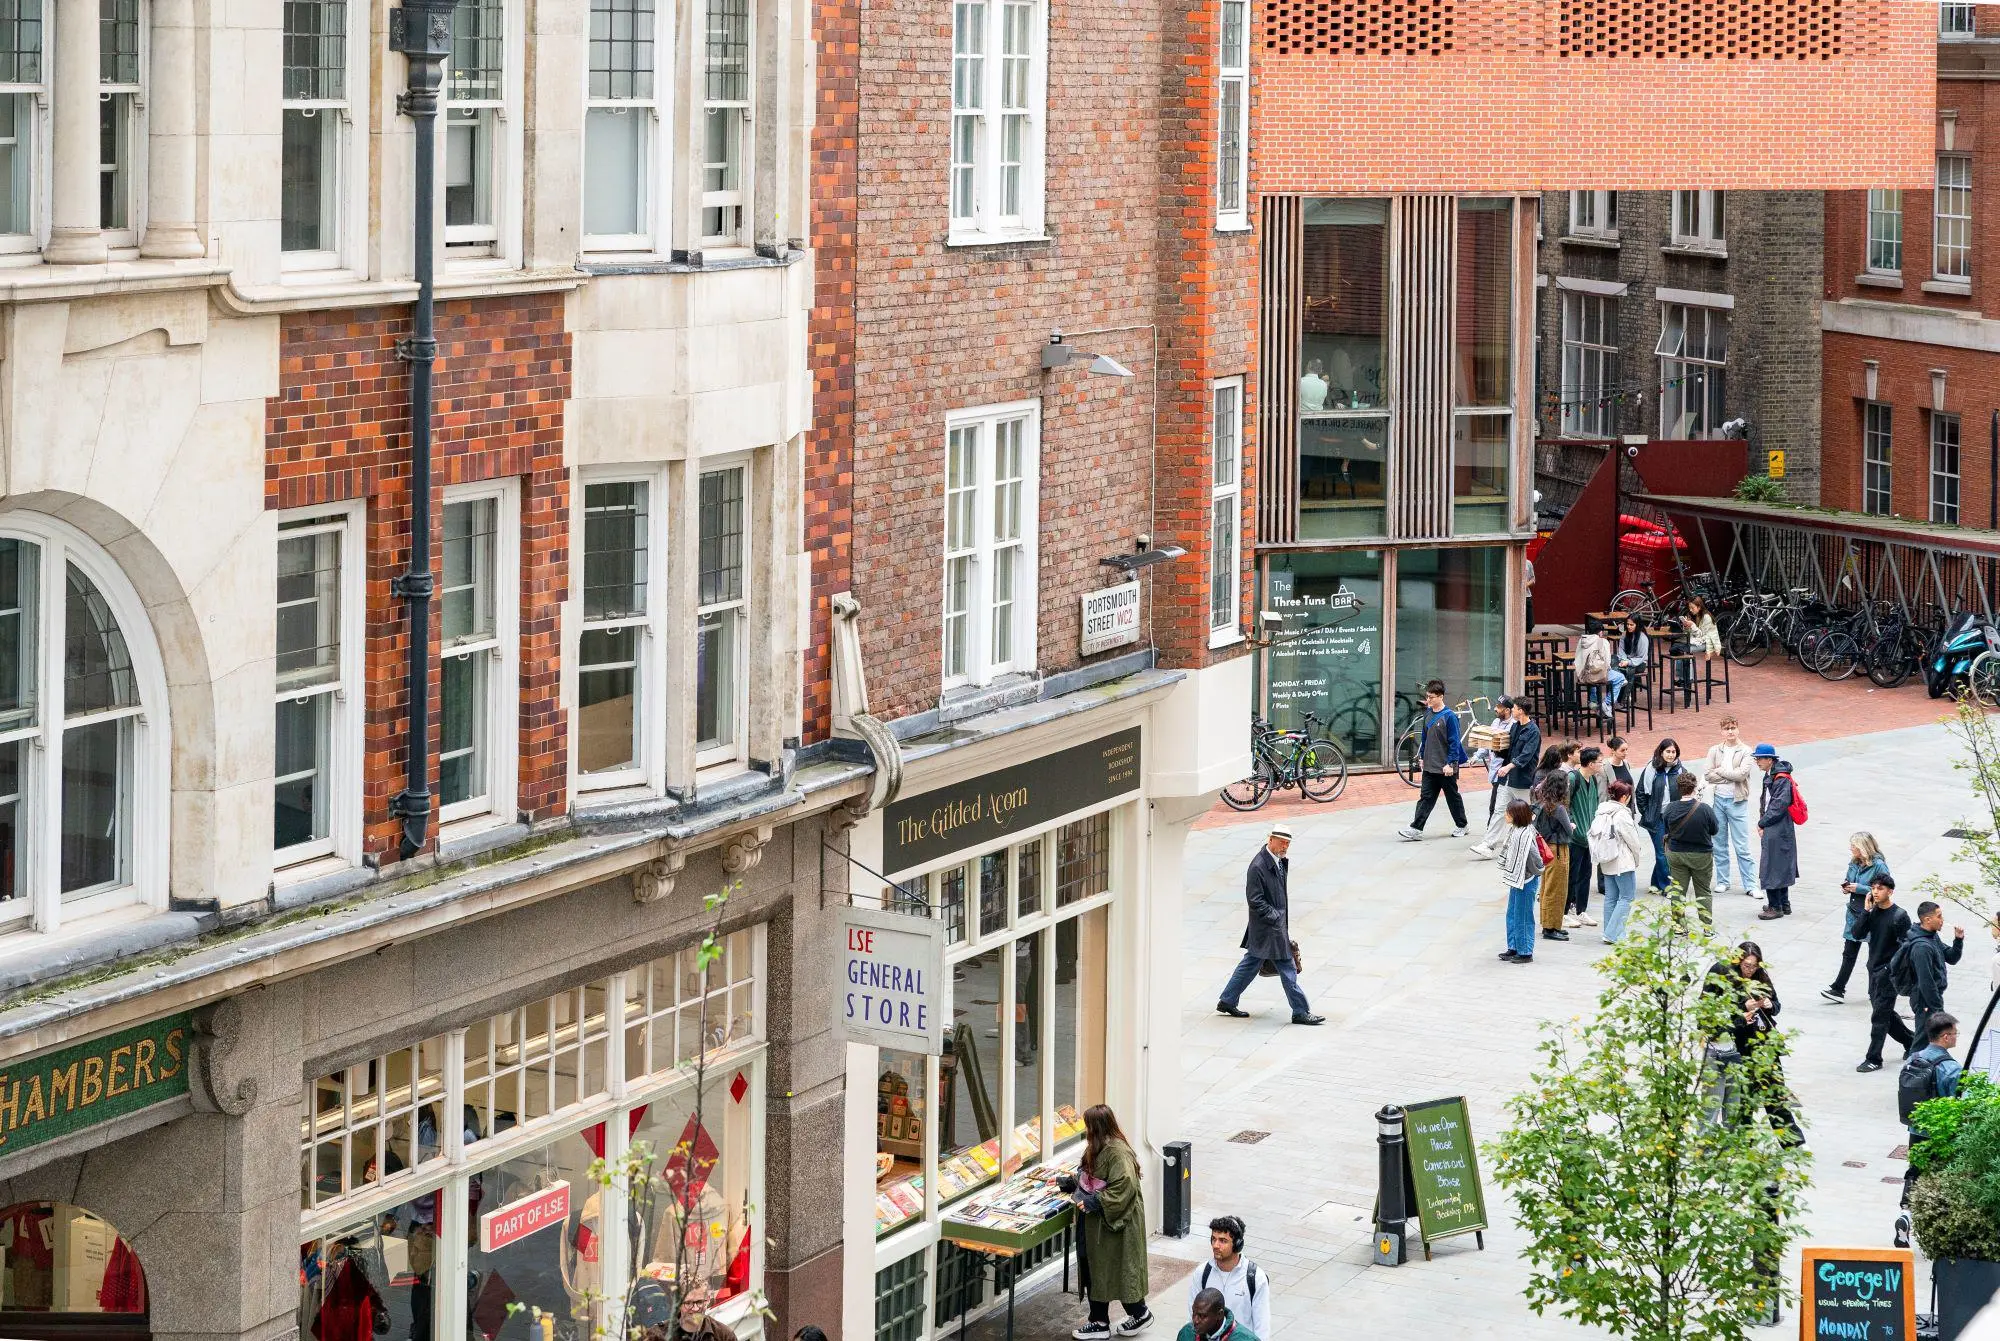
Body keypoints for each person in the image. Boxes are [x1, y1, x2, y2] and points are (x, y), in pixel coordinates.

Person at [1216, 826, 1322, 1025]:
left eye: (1288, 843)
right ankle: (1300, 1011)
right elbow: (1254, 900)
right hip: (1269, 928)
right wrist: (1275, 916)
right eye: (1282, 842)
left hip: (1270, 927)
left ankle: (1227, 1000)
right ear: (1270, 840)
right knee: (1288, 967)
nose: (1285, 846)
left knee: (1250, 964)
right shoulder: (1258, 866)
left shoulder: (1277, 861)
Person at [1704, 942, 1804, 1147]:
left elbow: (1776, 1005)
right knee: (1742, 1097)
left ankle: (1792, 1142)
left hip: (1765, 1042)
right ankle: (1743, 1144)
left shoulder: (1760, 976)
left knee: (1775, 1093)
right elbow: (1710, 1014)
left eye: (1754, 966)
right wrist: (1743, 1008)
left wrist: (1769, 1005)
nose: (1750, 970)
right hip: (1739, 1044)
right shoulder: (1722, 974)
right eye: (1746, 965)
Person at [1071, 1105, 1153, 1340]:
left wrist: (1096, 1202)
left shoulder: (1117, 1151)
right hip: (1101, 1226)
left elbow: (1124, 1185)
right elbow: (1090, 1175)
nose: (1086, 1130)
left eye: (1088, 1126)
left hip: (1117, 1225)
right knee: (1099, 1267)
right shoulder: (1098, 1146)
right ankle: (1103, 1319)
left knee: (1113, 1268)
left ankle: (1123, 1316)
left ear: (1096, 1127)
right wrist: (1073, 1183)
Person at [1899, 1013, 1964, 1208]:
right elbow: (1962, 1102)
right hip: (1940, 1134)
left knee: (1915, 1171)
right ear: (1945, 1037)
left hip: (1915, 1129)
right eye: (1955, 1033)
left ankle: (1906, 1212)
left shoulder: (1914, 1058)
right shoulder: (1951, 1068)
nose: (1956, 1036)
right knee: (1941, 1176)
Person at [1856, 874, 1916, 1073]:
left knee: (1879, 1018)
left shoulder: (1899, 916)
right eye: (1873, 887)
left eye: (1880, 888)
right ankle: (1911, 1041)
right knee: (1885, 1014)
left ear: (1890, 891)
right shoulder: (1873, 912)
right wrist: (1865, 911)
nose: (1875, 891)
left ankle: (1874, 1058)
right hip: (1873, 970)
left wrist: (1889, 969)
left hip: (1888, 975)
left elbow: (1906, 947)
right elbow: (1856, 934)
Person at [1824, 833, 1890, 1003]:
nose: (1851, 848)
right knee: (1849, 953)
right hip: (1855, 913)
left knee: (1874, 956)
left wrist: (1859, 888)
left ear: (1863, 848)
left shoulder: (1879, 866)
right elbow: (1849, 879)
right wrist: (1847, 887)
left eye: (1853, 846)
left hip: (1873, 915)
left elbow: (1884, 888)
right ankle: (1838, 988)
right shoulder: (1854, 863)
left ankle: (1874, 992)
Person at [1398, 680, 1469, 841]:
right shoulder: (1428, 713)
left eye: (1431, 697)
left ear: (1441, 697)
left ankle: (1462, 825)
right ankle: (1416, 828)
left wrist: (1451, 763)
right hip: (1430, 765)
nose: (1428, 700)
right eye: (1427, 696)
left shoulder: (1450, 717)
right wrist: (1422, 756)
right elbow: (1424, 737)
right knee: (1426, 797)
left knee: (1452, 797)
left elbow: (1454, 742)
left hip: (1445, 767)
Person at [1473, 698, 1541, 857]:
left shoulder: (1533, 731)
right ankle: (1488, 845)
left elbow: (1526, 756)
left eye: (1515, 708)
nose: (1513, 710)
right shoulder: (1515, 727)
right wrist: (1493, 746)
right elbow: (1507, 750)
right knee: (1499, 811)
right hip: (1507, 779)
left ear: (1521, 711)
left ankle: (1530, 843)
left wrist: (1508, 766)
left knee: (1527, 814)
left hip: (1522, 780)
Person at [1186, 1217, 1271, 1341]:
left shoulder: (1255, 1278)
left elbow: (1262, 1326)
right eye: (1213, 1239)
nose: (1215, 1245)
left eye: (1223, 1241)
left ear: (1237, 1244)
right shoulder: (1202, 1273)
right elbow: (1191, 1317)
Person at [1703, 716, 1758, 896]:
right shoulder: (1714, 750)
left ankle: (1750, 884)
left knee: (1742, 846)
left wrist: (1720, 772)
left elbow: (1741, 775)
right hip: (1718, 800)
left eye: (1733, 727)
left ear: (1738, 729)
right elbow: (1708, 775)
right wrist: (1728, 775)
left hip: (1737, 801)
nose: (1730, 731)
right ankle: (1723, 881)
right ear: (1721, 731)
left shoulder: (1746, 751)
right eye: (1726, 728)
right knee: (1719, 843)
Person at [1589, 780, 1648, 943]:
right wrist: (1636, 859)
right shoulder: (1622, 814)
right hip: (1623, 861)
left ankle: (1610, 932)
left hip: (1606, 860)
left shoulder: (1602, 811)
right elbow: (1633, 841)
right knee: (1627, 897)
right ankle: (1613, 933)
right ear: (1624, 797)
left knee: (1611, 898)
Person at [1901, 900, 1967, 1046]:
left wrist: (1958, 940)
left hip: (1932, 999)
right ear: (1927, 919)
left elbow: (1951, 957)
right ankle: (1914, 1066)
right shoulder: (1921, 947)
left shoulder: (1932, 936)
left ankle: (1923, 1065)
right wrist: (1938, 1011)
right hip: (1925, 1000)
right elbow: (1926, 982)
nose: (1942, 920)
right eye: (1939, 916)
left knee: (1929, 1040)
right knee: (1922, 1040)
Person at [1663, 773, 1718, 925]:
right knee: (1703, 891)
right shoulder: (1705, 809)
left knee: (1678, 891)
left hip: (1677, 854)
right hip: (1701, 855)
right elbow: (1714, 830)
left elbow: (1667, 827)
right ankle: (1706, 926)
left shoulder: (1670, 808)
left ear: (1678, 789)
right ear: (1694, 788)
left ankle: (1679, 926)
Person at [1752, 744, 1799, 920]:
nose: (1757, 761)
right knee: (1780, 865)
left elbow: (1778, 805)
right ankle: (1784, 903)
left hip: (1777, 827)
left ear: (1769, 759)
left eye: (1759, 758)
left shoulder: (1780, 779)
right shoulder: (1776, 775)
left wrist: (1762, 822)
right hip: (1781, 826)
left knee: (1771, 866)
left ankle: (1775, 906)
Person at [1635, 738, 1686, 895]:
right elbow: (1640, 792)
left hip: (1674, 818)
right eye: (1668, 752)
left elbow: (1686, 792)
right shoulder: (1651, 769)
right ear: (1661, 752)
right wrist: (1647, 812)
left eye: (1673, 752)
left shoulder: (1680, 771)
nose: (1671, 755)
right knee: (1662, 852)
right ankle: (1667, 887)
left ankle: (1656, 884)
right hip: (1656, 818)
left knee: (1668, 851)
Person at [1497, 799, 1545, 963]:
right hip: (1517, 879)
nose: (1505, 815)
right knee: (1513, 913)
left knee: (1523, 915)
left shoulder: (1524, 835)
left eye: (1508, 812)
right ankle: (1514, 946)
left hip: (1526, 879)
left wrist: (1534, 870)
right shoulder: (1516, 830)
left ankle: (1525, 952)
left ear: (1515, 815)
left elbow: (1537, 859)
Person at [1535, 771, 1575, 944]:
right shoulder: (1558, 808)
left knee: (1546, 888)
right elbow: (1569, 829)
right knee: (1557, 890)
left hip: (1546, 848)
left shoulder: (1542, 803)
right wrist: (1573, 825)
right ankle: (1552, 927)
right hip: (1558, 849)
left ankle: (1548, 923)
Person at [1565, 747, 1602, 927]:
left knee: (1586, 875)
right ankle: (1564, 911)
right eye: (1599, 762)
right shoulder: (1573, 778)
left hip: (1589, 837)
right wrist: (1572, 825)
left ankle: (1581, 910)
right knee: (1571, 875)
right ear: (1591, 764)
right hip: (1575, 837)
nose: (1602, 764)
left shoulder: (1593, 779)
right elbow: (1565, 805)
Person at [1574, 619, 1621, 721]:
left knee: (1592, 674)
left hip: (1581, 676)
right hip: (1595, 676)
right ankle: (1607, 703)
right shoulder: (1603, 642)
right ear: (1600, 632)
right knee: (1620, 678)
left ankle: (1593, 700)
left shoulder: (1581, 640)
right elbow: (1607, 663)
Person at [1178, 1288, 1256, 1341]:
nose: (1195, 1321)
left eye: (1202, 1316)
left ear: (1219, 1314)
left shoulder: (1245, 1339)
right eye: (1194, 1313)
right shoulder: (1187, 1333)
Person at [1613, 615, 1650, 706]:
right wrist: (1623, 660)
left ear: (1637, 625)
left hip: (1639, 663)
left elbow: (1641, 657)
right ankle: (1614, 697)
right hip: (1625, 660)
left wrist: (1628, 662)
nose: (1629, 626)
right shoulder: (1624, 634)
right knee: (1612, 660)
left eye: (1631, 625)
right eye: (1627, 624)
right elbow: (1621, 650)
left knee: (1629, 670)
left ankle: (1623, 699)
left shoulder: (1642, 638)